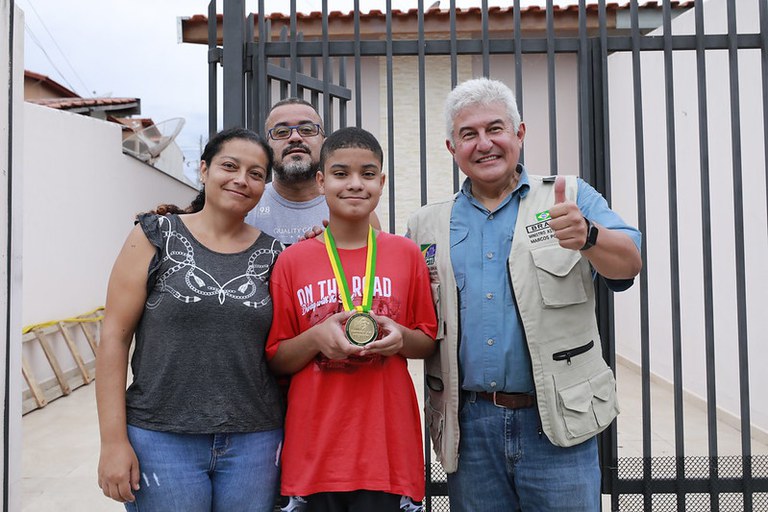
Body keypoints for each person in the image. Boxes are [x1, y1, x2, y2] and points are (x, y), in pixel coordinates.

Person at [406, 77, 643, 511]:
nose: (484, 144)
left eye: (495, 129)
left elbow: (628, 264)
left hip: (556, 421)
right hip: (470, 427)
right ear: (451, 148)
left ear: (519, 133)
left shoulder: (569, 197)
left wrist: (590, 235)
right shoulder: (426, 226)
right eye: (468, 134)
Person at [96, 128, 284, 512]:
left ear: (265, 185)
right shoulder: (154, 235)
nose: (241, 179)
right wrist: (113, 443)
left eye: (255, 173)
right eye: (229, 166)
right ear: (203, 169)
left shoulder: (276, 254)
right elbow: (114, 338)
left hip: (255, 440)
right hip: (160, 438)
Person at [266, 127, 437, 511]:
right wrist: (315, 339)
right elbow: (276, 356)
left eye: (368, 173)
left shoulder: (406, 255)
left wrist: (399, 338)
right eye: (341, 174)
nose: (355, 184)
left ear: (382, 181)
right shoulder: (292, 261)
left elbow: (427, 341)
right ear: (322, 181)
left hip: (386, 453)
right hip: (315, 454)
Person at [245, 97, 380, 244]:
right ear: (266, 147)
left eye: (307, 130)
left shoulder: (355, 206)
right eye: (282, 132)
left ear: (324, 142)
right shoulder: (247, 206)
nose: (295, 137)